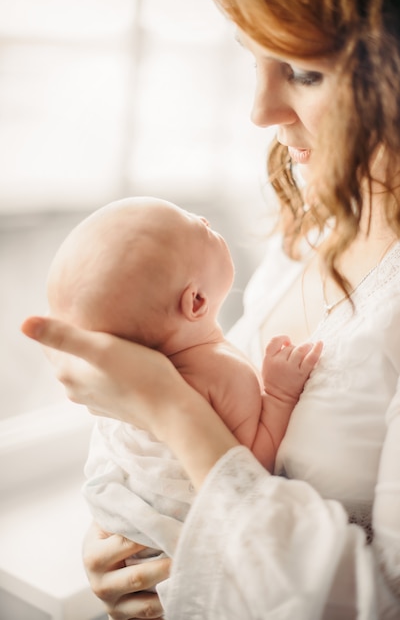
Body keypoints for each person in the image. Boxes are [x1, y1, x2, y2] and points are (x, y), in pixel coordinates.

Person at [21, 0, 400, 618]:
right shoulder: (315, 219)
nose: (259, 112)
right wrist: (130, 537)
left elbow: (391, 604)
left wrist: (165, 405)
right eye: (253, 58)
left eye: (304, 72)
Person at [46, 195, 321, 598]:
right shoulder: (222, 374)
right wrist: (280, 394)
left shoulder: (139, 379)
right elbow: (249, 470)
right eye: (200, 227)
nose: (207, 219)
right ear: (196, 301)